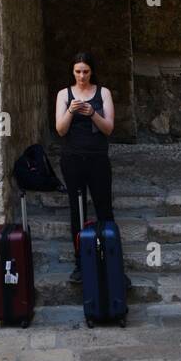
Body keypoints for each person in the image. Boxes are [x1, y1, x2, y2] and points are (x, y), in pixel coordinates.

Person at [55, 51, 129, 286]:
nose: (82, 76)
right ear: (72, 71)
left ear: (92, 71)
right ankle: (80, 263)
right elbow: (60, 130)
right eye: (78, 71)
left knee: (104, 208)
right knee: (77, 212)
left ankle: (112, 260)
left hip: (98, 158)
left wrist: (92, 113)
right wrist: (71, 110)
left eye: (86, 71)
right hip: (72, 159)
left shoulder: (103, 92)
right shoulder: (63, 94)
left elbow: (108, 128)